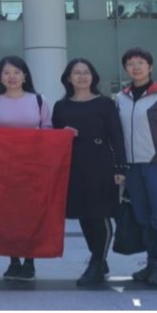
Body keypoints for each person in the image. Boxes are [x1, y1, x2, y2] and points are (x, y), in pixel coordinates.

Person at [51, 58, 127, 286]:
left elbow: (117, 135)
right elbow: (53, 136)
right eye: (77, 72)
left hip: (100, 162)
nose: (82, 76)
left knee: (100, 213)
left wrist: (120, 167)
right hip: (73, 166)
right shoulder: (61, 106)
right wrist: (62, 132)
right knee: (84, 214)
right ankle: (99, 258)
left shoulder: (105, 103)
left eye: (86, 72)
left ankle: (96, 262)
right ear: (68, 78)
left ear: (93, 76)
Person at [115, 47, 157, 287]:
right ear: (125, 69)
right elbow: (117, 134)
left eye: (141, 62)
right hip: (132, 167)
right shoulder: (120, 98)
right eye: (130, 63)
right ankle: (153, 262)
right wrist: (119, 167)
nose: (136, 67)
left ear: (150, 67)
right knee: (143, 217)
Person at [0, 55, 52, 282]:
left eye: (17, 72)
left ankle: (30, 260)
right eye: (6, 73)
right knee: (8, 216)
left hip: (33, 168)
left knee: (31, 215)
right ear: (0, 78)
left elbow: (48, 130)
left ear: (25, 76)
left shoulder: (39, 100)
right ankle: (13, 260)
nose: (12, 77)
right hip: (4, 169)